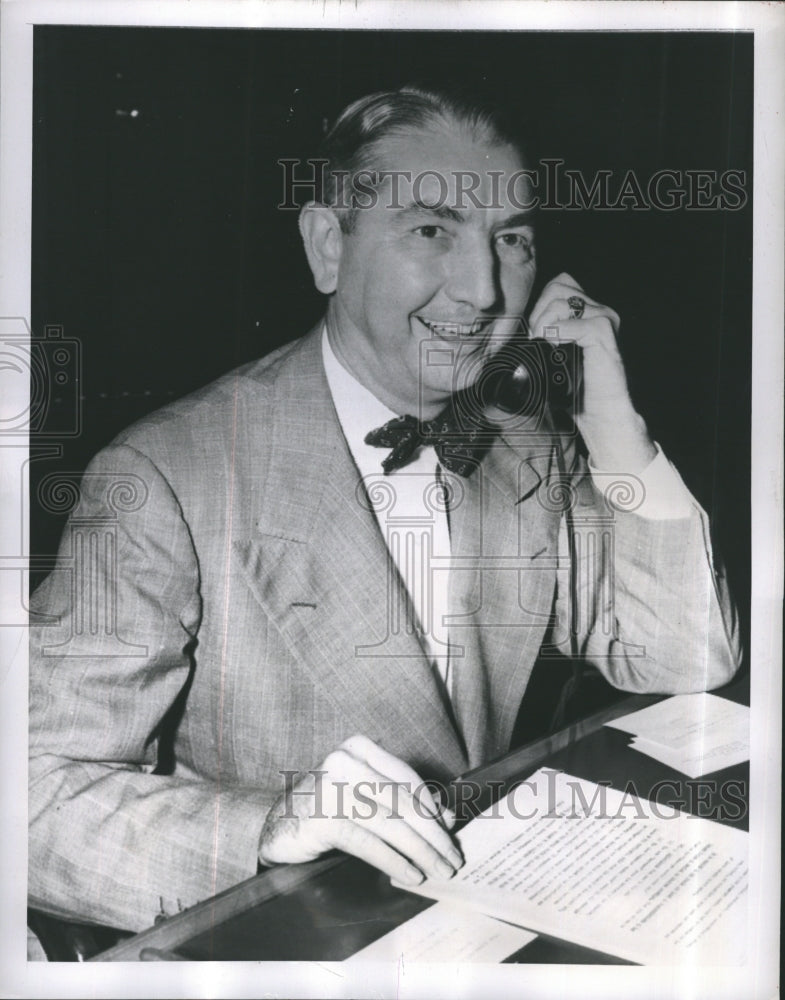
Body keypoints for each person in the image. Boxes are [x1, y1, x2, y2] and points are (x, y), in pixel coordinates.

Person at [28, 85, 741, 934]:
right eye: (432, 229)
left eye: (508, 239)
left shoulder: (521, 441)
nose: (482, 291)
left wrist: (613, 428)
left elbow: (684, 661)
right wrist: (264, 826)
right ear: (329, 246)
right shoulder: (161, 477)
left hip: (474, 921)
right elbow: (29, 799)